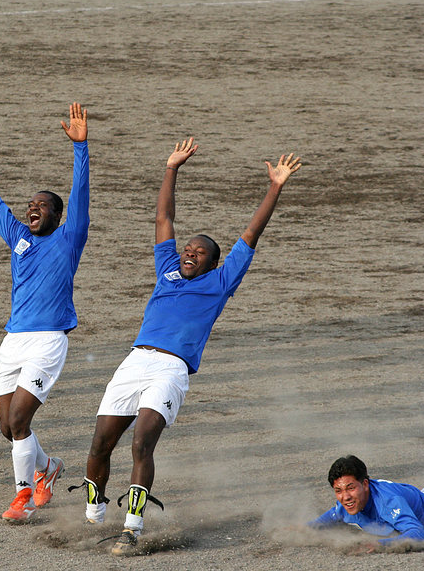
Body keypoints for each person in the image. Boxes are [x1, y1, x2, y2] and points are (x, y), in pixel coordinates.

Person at [76, 139, 302, 555]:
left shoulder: (221, 282)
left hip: (171, 370)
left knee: (141, 443)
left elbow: (251, 234)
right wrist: (171, 168)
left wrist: (275, 187)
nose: (190, 253)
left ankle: (132, 526)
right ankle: (94, 506)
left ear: (214, 262)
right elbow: (164, 217)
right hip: (133, 362)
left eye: (200, 252)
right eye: (187, 249)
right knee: (98, 446)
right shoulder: (167, 270)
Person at [0, 103, 90, 522]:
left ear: (58, 215)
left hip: (49, 341)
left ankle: (23, 495)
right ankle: (47, 467)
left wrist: (81, 149)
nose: (33, 208)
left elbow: (82, 194)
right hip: (13, 340)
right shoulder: (18, 237)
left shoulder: (69, 239)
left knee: (18, 419)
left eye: (42, 205)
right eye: (30, 204)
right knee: (7, 427)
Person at [310, 455, 424, 549]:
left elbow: (418, 533)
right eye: (338, 490)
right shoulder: (348, 503)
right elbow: (330, 517)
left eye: (350, 488)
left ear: (365, 484)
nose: (345, 497)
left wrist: (380, 544)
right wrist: (300, 529)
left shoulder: (388, 502)